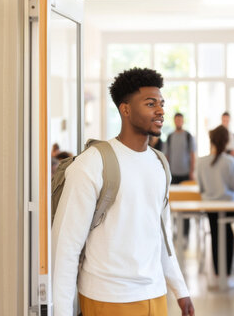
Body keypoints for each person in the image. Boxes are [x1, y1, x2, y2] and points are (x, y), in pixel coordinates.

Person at [53, 67, 194, 316]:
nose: (161, 110)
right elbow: (65, 247)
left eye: (161, 103)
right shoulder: (93, 163)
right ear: (125, 109)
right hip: (108, 297)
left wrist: (180, 290)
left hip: (155, 295)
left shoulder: (160, 163)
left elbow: (161, 234)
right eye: (150, 104)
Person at [196, 125, 234, 284]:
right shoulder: (231, 161)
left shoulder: (201, 162)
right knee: (229, 237)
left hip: (210, 205)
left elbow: (200, 187)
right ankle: (226, 275)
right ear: (227, 141)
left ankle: (216, 274)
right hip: (229, 205)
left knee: (215, 236)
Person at [165, 113, 196, 184]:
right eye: (177, 120)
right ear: (174, 121)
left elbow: (192, 155)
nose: (178, 122)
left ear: (183, 121)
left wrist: (192, 172)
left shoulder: (188, 136)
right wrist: (167, 172)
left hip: (186, 173)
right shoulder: (170, 137)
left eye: (180, 120)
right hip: (173, 174)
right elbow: (167, 156)